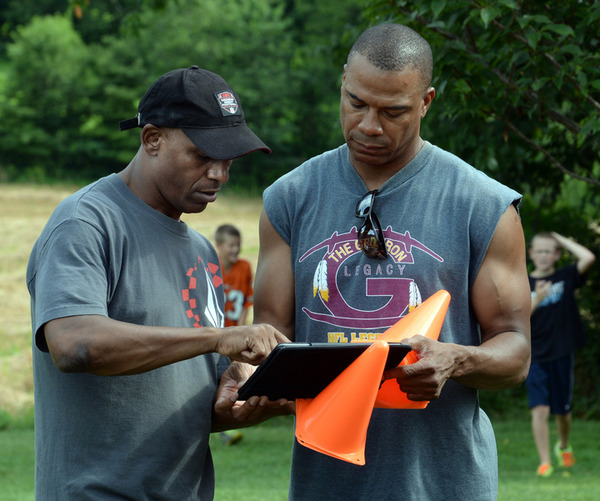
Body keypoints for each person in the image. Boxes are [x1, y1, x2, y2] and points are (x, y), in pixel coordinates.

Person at [250, 23, 531, 500]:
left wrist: (455, 360)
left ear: (426, 102)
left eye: (393, 111)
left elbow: (516, 351)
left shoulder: (483, 205)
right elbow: (272, 339)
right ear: (342, 81)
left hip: (443, 483)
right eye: (356, 102)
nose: (369, 125)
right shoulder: (289, 198)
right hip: (326, 482)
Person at [26, 65, 291, 500]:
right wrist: (217, 337)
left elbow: (180, 393)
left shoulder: (203, 252)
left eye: (228, 159)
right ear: (152, 139)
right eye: (203, 155)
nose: (219, 174)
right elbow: (74, 343)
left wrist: (238, 401)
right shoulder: (86, 222)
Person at [526, 231, 595, 477]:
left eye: (549, 251)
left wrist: (558, 237)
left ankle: (563, 445)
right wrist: (538, 299)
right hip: (534, 355)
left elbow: (588, 257)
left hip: (562, 352)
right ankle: (545, 462)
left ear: (556, 254)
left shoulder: (565, 277)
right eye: (539, 250)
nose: (543, 255)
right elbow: (518, 319)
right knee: (540, 409)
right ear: (531, 253)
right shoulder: (522, 282)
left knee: (562, 412)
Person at [215, 223, 255, 445]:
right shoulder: (213, 267)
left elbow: (247, 300)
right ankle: (222, 429)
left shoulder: (245, 267)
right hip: (217, 334)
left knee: (235, 377)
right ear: (219, 246)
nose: (235, 250)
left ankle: (229, 423)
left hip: (235, 333)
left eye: (238, 245)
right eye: (230, 245)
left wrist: (241, 329)